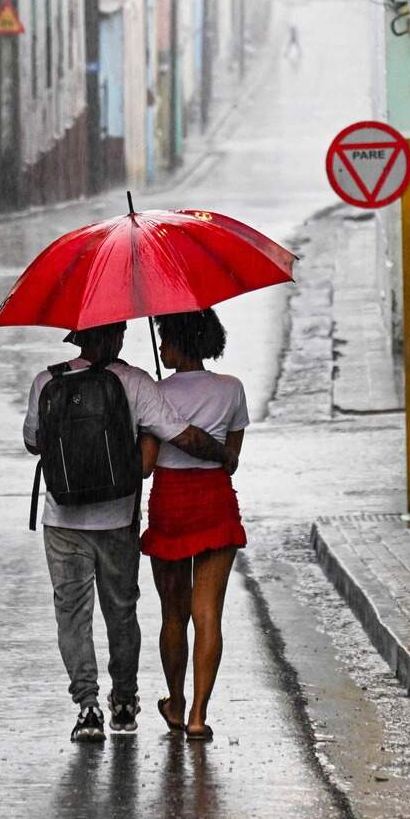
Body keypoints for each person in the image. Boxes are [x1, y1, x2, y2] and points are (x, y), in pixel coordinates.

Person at [23, 320, 235, 744]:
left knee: (73, 616)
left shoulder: (47, 380)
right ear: (118, 335)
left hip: (62, 520)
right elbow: (179, 436)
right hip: (117, 518)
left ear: (76, 337)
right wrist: (223, 454)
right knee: (121, 611)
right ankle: (124, 700)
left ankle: (87, 708)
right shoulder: (134, 381)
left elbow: (33, 441)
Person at [140, 309, 249, 742]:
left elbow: (147, 466)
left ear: (182, 341)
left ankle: (175, 700)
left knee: (173, 614)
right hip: (215, 502)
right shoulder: (231, 389)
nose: (162, 346)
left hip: (170, 502)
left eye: (166, 338)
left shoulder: (155, 394)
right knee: (208, 615)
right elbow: (232, 460)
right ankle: (200, 715)